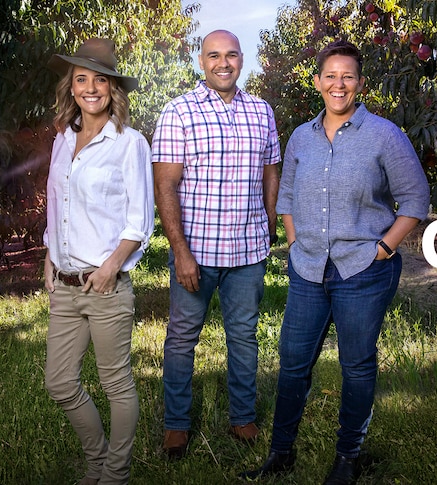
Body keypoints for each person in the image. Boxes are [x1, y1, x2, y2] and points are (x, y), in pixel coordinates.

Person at [241, 40, 430, 485]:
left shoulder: (384, 135)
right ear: (317, 82)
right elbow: (286, 194)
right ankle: (280, 452)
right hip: (308, 269)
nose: (338, 84)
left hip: (362, 271)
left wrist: (382, 249)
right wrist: (292, 241)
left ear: (360, 84)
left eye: (347, 76)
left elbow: (416, 198)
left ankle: (348, 457)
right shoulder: (301, 137)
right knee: (292, 362)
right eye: (331, 75)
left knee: (357, 365)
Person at [152, 29, 281, 459]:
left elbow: (270, 172)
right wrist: (180, 250)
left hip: (247, 252)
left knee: (243, 337)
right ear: (200, 61)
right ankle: (176, 425)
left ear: (243, 60)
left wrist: (268, 223)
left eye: (230, 55)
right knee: (182, 338)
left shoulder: (262, 112)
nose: (222, 63)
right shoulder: (178, 113)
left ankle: (242, 417)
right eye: (213, 56)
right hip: (197, 253)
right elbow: (165, 187)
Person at [43, 38, 154, 485]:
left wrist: (110, 268)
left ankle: (115, 473)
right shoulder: (61, 140)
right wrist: (49, 256)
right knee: (59, 382)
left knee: (116, 386)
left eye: (100, 80)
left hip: (106, 286)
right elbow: (55, 203)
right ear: (70, 87)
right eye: (81, 79)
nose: (90, 88)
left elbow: (139, 220)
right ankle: (97, 460)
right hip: (65, 287)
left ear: (113, 89)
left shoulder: (129, 143)